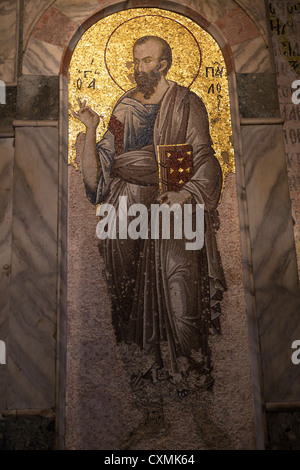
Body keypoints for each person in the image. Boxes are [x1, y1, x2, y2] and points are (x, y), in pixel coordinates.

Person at [71, 35, 226, 395]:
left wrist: (187, 193)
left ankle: (194, 375)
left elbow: (204, 157)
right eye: (135, 61)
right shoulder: (124, 106)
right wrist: (91, 131)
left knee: (181, 293)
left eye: (146, 61)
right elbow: (103, 168)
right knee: (126, 297)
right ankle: (146, 381)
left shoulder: (187, 104)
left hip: (173, 206)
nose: (139, 68)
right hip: (126, 207)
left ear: (164, 64)